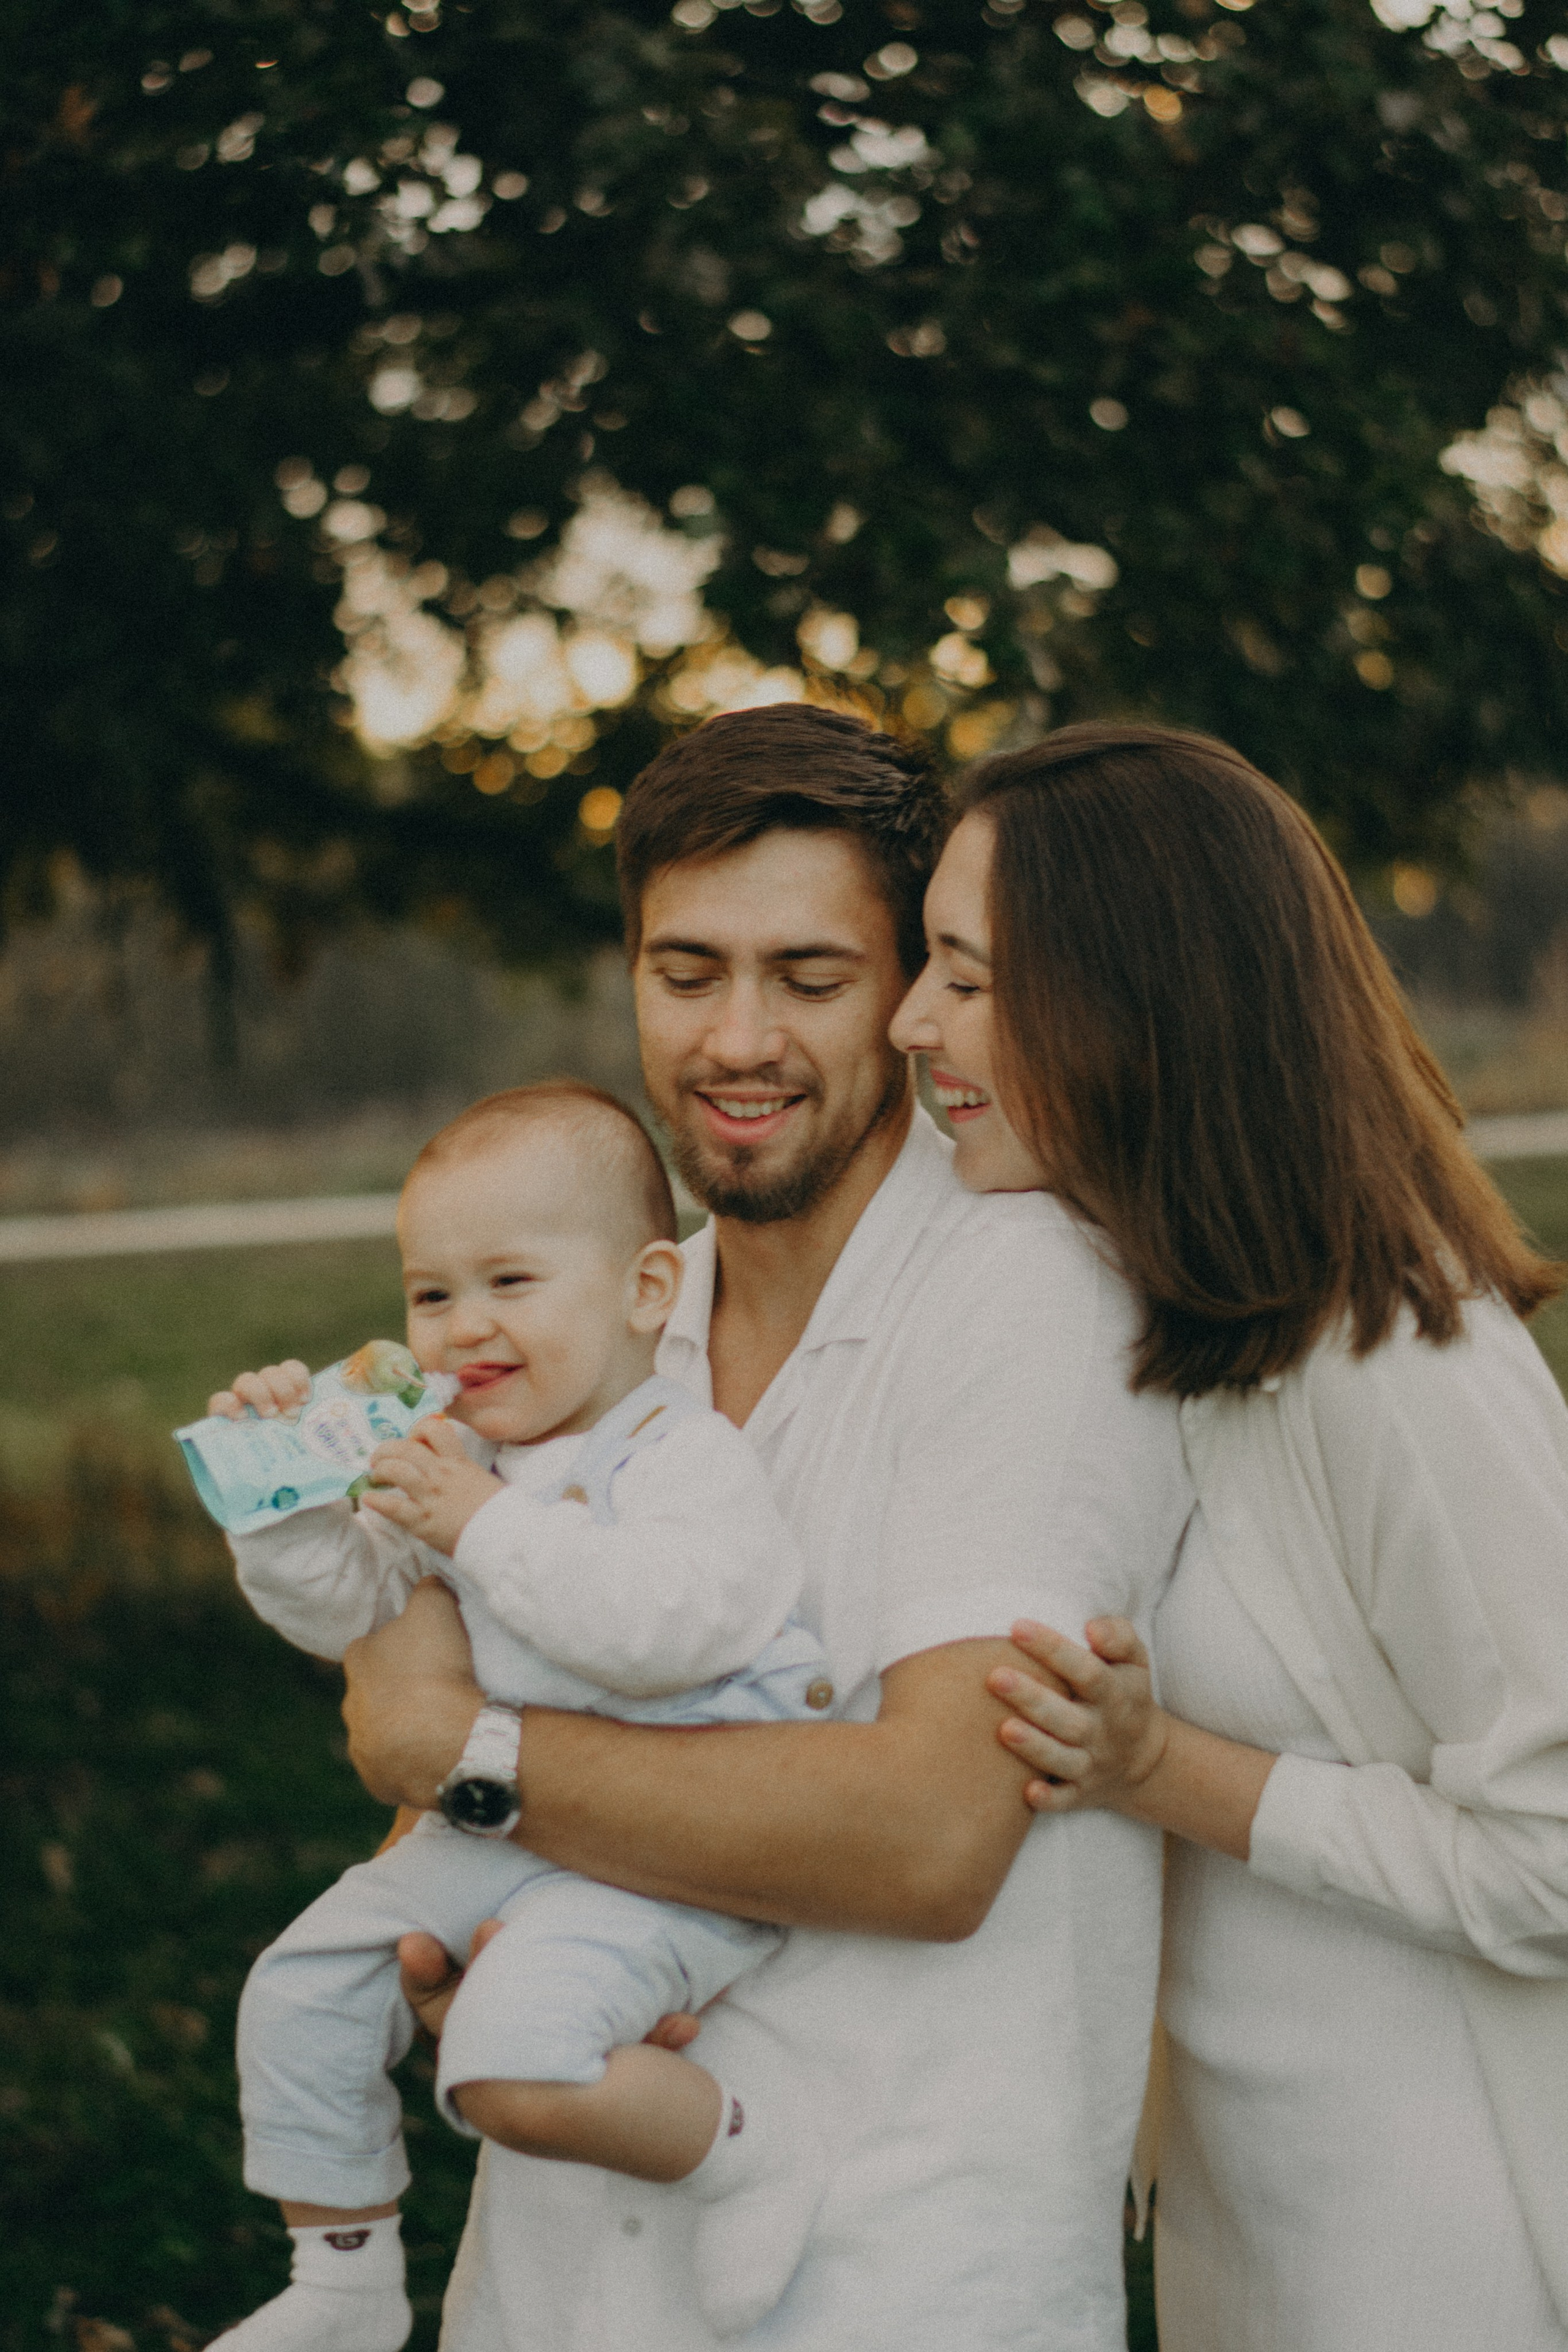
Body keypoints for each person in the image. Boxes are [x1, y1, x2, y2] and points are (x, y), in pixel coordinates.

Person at [336, 703, 1194, 2351]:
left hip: (894, 2273)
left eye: (811, 979)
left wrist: (467, 1754)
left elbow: (931, 1837)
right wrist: (439, 1903)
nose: (738, 1041)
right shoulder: (619, 1311)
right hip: (566, 2275)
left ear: (914, 987)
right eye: (685, 973)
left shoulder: (1027, 1294)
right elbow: (515, 1713)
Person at [894, 720, 1568, 2352]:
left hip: (1439, 2242)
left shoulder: (1397, 1362)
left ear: (1137, 1001)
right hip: (1241, 2219)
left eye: (969, 979)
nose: (917, 1022)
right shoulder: (1147, 1315)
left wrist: (1165, 1768)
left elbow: (1555, 1854)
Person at [208, 1082, 839, 2352]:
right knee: (300, 1987)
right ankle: (343, 2275)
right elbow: (342, 1608)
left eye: (509, 1283)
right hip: (507, 1827)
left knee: (504, 2065)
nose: (460, 1330)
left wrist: (480, 1529)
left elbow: (668, 1631)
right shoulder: (461, 1458)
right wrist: (279, 1504)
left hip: (675, 1837)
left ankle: (740, 2149)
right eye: (431, 1294)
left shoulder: (680, 1455)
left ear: (644, 1293)